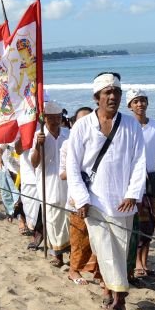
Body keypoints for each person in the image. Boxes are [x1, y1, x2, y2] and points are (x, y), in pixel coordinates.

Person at [64, 72, 147, 310]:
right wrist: (81, 199)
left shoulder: (131, 125)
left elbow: (139, 162)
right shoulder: (81, 126)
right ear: (96, 97)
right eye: (107, 93)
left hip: (124, 203)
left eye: (116, 92)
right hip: (94, 202)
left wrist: (133, 194)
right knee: (104, 250)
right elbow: (73, 166)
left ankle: (113, 292)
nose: (112, 97)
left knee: (120, 252)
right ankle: (118, 298)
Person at [126, 87, 155, 279]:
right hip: (131, 179)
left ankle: (144, 261)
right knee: (135, 223)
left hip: (150, 180)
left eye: (143, 100)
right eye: (136, 101)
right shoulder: (125, 126)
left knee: (149, 223)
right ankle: (136, 262)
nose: (140, 104)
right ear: (130, 105)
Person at [62, 107, 101, 286]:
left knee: (98, 238)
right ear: (73, 123)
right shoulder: (67, 145)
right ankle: (73, 269)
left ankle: (98, 272)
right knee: (79, 237)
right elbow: (62, 173)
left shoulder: (99, 142)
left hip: (99, 197)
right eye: (81, 121)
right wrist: (77, 171)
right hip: (77, 197)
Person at [31, 100, 70, 265]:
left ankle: (69, 250)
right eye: (51, 118)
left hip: (66, 181)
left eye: (58, 117)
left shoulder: (68, 134)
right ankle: (56, 254)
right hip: (47, 182)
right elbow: (34, 163)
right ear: (44, 118)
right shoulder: (39, 135)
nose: (55, 121)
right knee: (52, 218)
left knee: (68, 216)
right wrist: (38, 145)